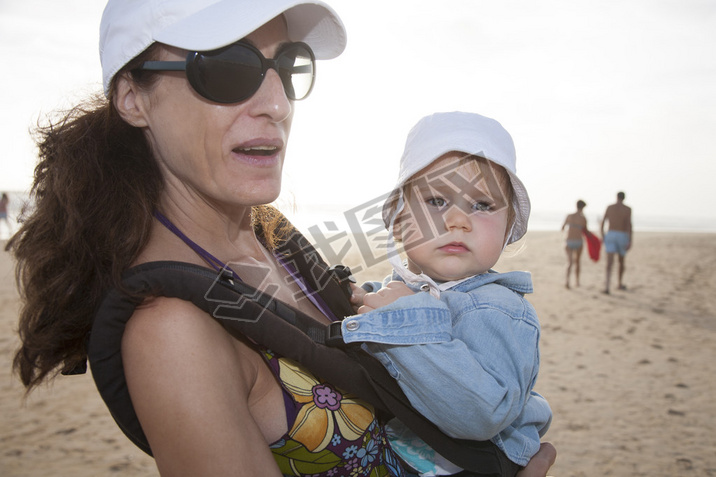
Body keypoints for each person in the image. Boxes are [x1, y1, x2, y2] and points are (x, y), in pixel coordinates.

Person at [7, 1, 555, 475]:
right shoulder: (173, 333)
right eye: (225, 66)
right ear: (133, 98)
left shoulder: (274, 242)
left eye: (289, 67)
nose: (277, 103)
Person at [342, 112, 552, 476]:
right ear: (398, 220)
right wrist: (363, 299)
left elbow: (483, 414)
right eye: (437, 201)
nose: (458, 220)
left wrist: (399, 322)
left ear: (508, 229)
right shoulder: (403, 287)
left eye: (482, 205)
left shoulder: (499, 310)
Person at [600, 191, 632, 294]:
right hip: (622, 235)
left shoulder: (610, 207)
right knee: (621, 261)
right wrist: (630, 239)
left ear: (616, 197)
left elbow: (603, 222)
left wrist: (603, 235)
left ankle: (607, 286)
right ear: (624, 198)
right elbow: (629, 225)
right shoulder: (627, 209)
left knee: (609, 263)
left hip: (611, 233)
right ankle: (619, 283)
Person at [561, 199, 587, 289]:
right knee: (577, 262)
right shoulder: (583, 218)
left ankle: (567, 281)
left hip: (569, 241)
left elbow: (563, 227)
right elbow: (585, 231)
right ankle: (577, 282)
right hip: (579, 241)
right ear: (583, 208)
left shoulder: (569, 216)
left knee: (569, 262)